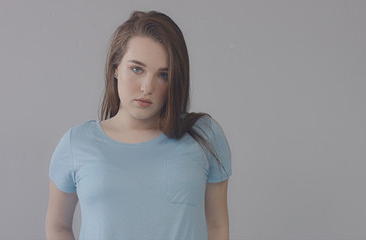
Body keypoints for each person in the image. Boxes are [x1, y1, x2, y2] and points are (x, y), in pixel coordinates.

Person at [45, 10, 232, 240]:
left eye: (163, 75)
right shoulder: (77, 143)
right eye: (137, 69)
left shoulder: (204, 135)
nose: (147, 87)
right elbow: (58, 227)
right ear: (116, 67)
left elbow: (217, 226)